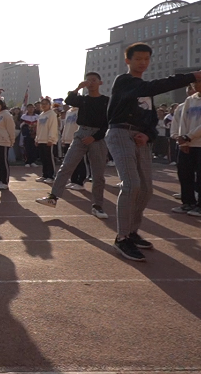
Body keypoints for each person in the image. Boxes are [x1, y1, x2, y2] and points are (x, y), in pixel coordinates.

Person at [104, 43, 200, 262]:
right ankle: (122, 237)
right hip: (120, 134)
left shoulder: (145, 91)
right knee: (131, 184)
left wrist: (148, 135)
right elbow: (152, 87)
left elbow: (149, 118)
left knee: (146, 188)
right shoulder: (124, 81)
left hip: (140, 139)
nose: (143, 63)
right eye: (138, 59)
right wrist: (191, 76)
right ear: (127, 60)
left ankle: (132, 232)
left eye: (147, 59)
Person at [36, 74, 110, 219]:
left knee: (98, 174)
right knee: (66, 166)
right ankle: (53, 197)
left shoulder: (106, 101)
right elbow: (69, 100)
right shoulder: (83, 99)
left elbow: (108, 123)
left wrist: (95, 137)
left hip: (98, 136)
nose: (91, 83)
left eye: (93, 80)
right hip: (81, 133)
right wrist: (78, 87)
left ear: (100, 82)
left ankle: (97, 206)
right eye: (88, 80)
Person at [174, 83, 201, 216]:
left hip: (198, 143)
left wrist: (188, 136)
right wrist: (183, 141)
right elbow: (182, 121)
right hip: (187, 144)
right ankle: (188, 202)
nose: (197, 86)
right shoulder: (190, 100)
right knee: (184, 174)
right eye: (195, 83)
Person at [34, 98, 58, 184]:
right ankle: (45, 175)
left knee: (49, 158)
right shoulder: (41, 115)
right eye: (42, 104)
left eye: (46, 104)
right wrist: (37, 138)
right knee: (43, 159)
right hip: (41, 139)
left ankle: (51, 176)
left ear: (49, 105)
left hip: (48, 140)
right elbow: (39, 128)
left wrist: (51, 139)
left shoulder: (52, 114)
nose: (43, 105)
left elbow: (53, 127)